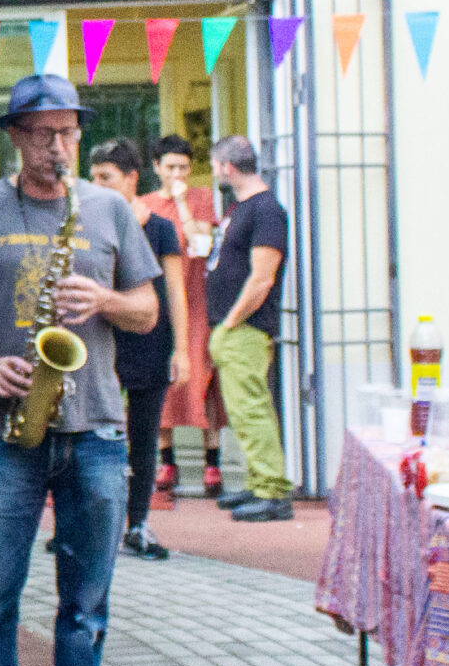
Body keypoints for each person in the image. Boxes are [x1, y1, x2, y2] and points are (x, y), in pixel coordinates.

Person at [0, 74, 159, 666]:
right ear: (15, 137)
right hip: (6, 430)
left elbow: (148, 310)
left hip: (97, 430)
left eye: (68, 132)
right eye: (43, 133)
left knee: (86, 610)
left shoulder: (109, 209)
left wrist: (105, 297)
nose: (58, 146)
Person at [85, 138, 188, 560]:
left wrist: (181, 350)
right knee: (91, 433)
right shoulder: (85, 222)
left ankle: (138, 524)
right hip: (100, 341)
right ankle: (89, 525)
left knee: (144, 436)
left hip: (148, 341)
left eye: (105, 178)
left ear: (130, 179)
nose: (97, 186)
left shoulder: (160, 229)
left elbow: (176, 294)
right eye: (92, 178)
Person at [205, 136, 294, 523]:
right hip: (233, 327)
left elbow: (262, 279)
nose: (214, 172)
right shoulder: (240, 208)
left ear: (227, 168)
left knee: (251, 409)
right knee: (242, 411)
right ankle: (259, 483)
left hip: (245, 327)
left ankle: (272, 490)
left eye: (214, 165)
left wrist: (229, 322)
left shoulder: (266, 210)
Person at [144, 135, 226, 499]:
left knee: (203, 381)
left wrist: (181, 201)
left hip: (197, 302)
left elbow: (201, 245)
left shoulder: (201, 198)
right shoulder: (144, 205)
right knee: (162, 382)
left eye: (183, 167)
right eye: (170, 167)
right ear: (156, 167)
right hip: (159, 304)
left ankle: (213, 462)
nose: (177, 173)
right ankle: (167, 461)